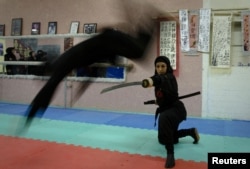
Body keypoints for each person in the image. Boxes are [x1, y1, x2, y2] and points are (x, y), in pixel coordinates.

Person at [22, 26, 155, 129]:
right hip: (106, 43)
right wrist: (78, 93)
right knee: (138, 52)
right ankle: (143, 30)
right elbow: (90, 76)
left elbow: (49, 90)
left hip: (107, 42)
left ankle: (146, 28)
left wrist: (31, 114)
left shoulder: (60, 65)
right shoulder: (64, 61)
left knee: (139, 53)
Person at [141, 56, 200, 168]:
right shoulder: (158, 80)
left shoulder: (169, 77)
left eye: (163, 66)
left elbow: (159, 79)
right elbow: (162, 93)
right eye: (157, 66)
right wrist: (157, 101)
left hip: (176, 110)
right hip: (167, 108)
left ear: (167, 67)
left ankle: (170, 154)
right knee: (163, 139)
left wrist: (149, 81)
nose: (160, 69)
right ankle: (191, 132)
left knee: (164, 117)